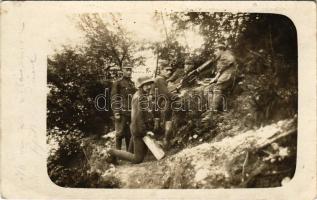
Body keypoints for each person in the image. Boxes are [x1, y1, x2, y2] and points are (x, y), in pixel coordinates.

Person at [109, 76, 154, 164]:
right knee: (137, 159)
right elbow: (137, 117)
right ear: (141, 86)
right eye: (146, 85)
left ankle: (124, 156)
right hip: (138, 129)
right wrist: (144, 132)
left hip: (138, 127)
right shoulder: (139, 97)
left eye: (150, 84)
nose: (149, 87)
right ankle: (111, 152)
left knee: (136, 152)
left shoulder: (142, 95)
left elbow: (146, 113)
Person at [201, 43, 237, 122]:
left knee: (217, 87)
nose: (215, 52)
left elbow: (231, 61)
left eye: (216, 50)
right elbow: (220, 70)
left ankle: (213, 112)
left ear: (221, 49)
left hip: (229, 74)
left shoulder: (226, 54)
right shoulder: (220, 57)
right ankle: (211, 109)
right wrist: (215, 78)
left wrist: (216, 77)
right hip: (224, 75)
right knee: (207, 89)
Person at [111, 65, 136, 150]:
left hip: (130, 112)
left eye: (130, 70)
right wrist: (116, 112)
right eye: (127, 70)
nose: (129, 72)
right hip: (121, 112)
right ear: (122, 71)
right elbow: (114, 98)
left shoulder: (132, 83)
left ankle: (129, 154)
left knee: (129, 133)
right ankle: (117, 156)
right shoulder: (117, 83)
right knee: (119, 134)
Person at [151, 60, 175, 149]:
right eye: (166, 70)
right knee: (158, 126)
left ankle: (165, 143)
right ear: (161, 70)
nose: (169, 72)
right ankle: (162, 145)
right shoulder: (159, 80)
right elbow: (166, 93)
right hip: (158, 105)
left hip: (160, 104)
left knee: (165, 123)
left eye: (170, 70)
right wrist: (176, 97)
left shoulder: (162, 80)